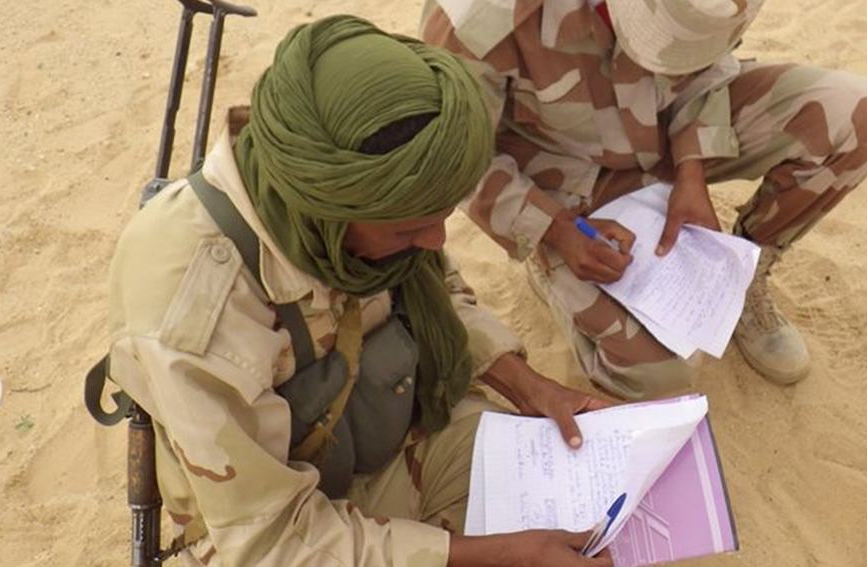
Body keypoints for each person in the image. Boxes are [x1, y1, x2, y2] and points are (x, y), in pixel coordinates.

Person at [105, 15, 612, 567]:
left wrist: (531, 388)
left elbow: (435, 294)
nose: (436, 241)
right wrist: (499, 554)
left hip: (393, 439)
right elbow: (271, 543)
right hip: (282, 529)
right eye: (410, 231)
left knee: (585, 515)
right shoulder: (192, 313)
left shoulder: (373, 207)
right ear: (329, 211)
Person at [422, 0, 867, 397]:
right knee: (659, 376)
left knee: (858, 116)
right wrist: (556, 230)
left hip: (667, 132)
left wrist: (691, 167)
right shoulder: (476, 17)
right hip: (566, 188)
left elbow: (708, 64)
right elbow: (458, 161)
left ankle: (737, 279)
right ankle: (550, 273)